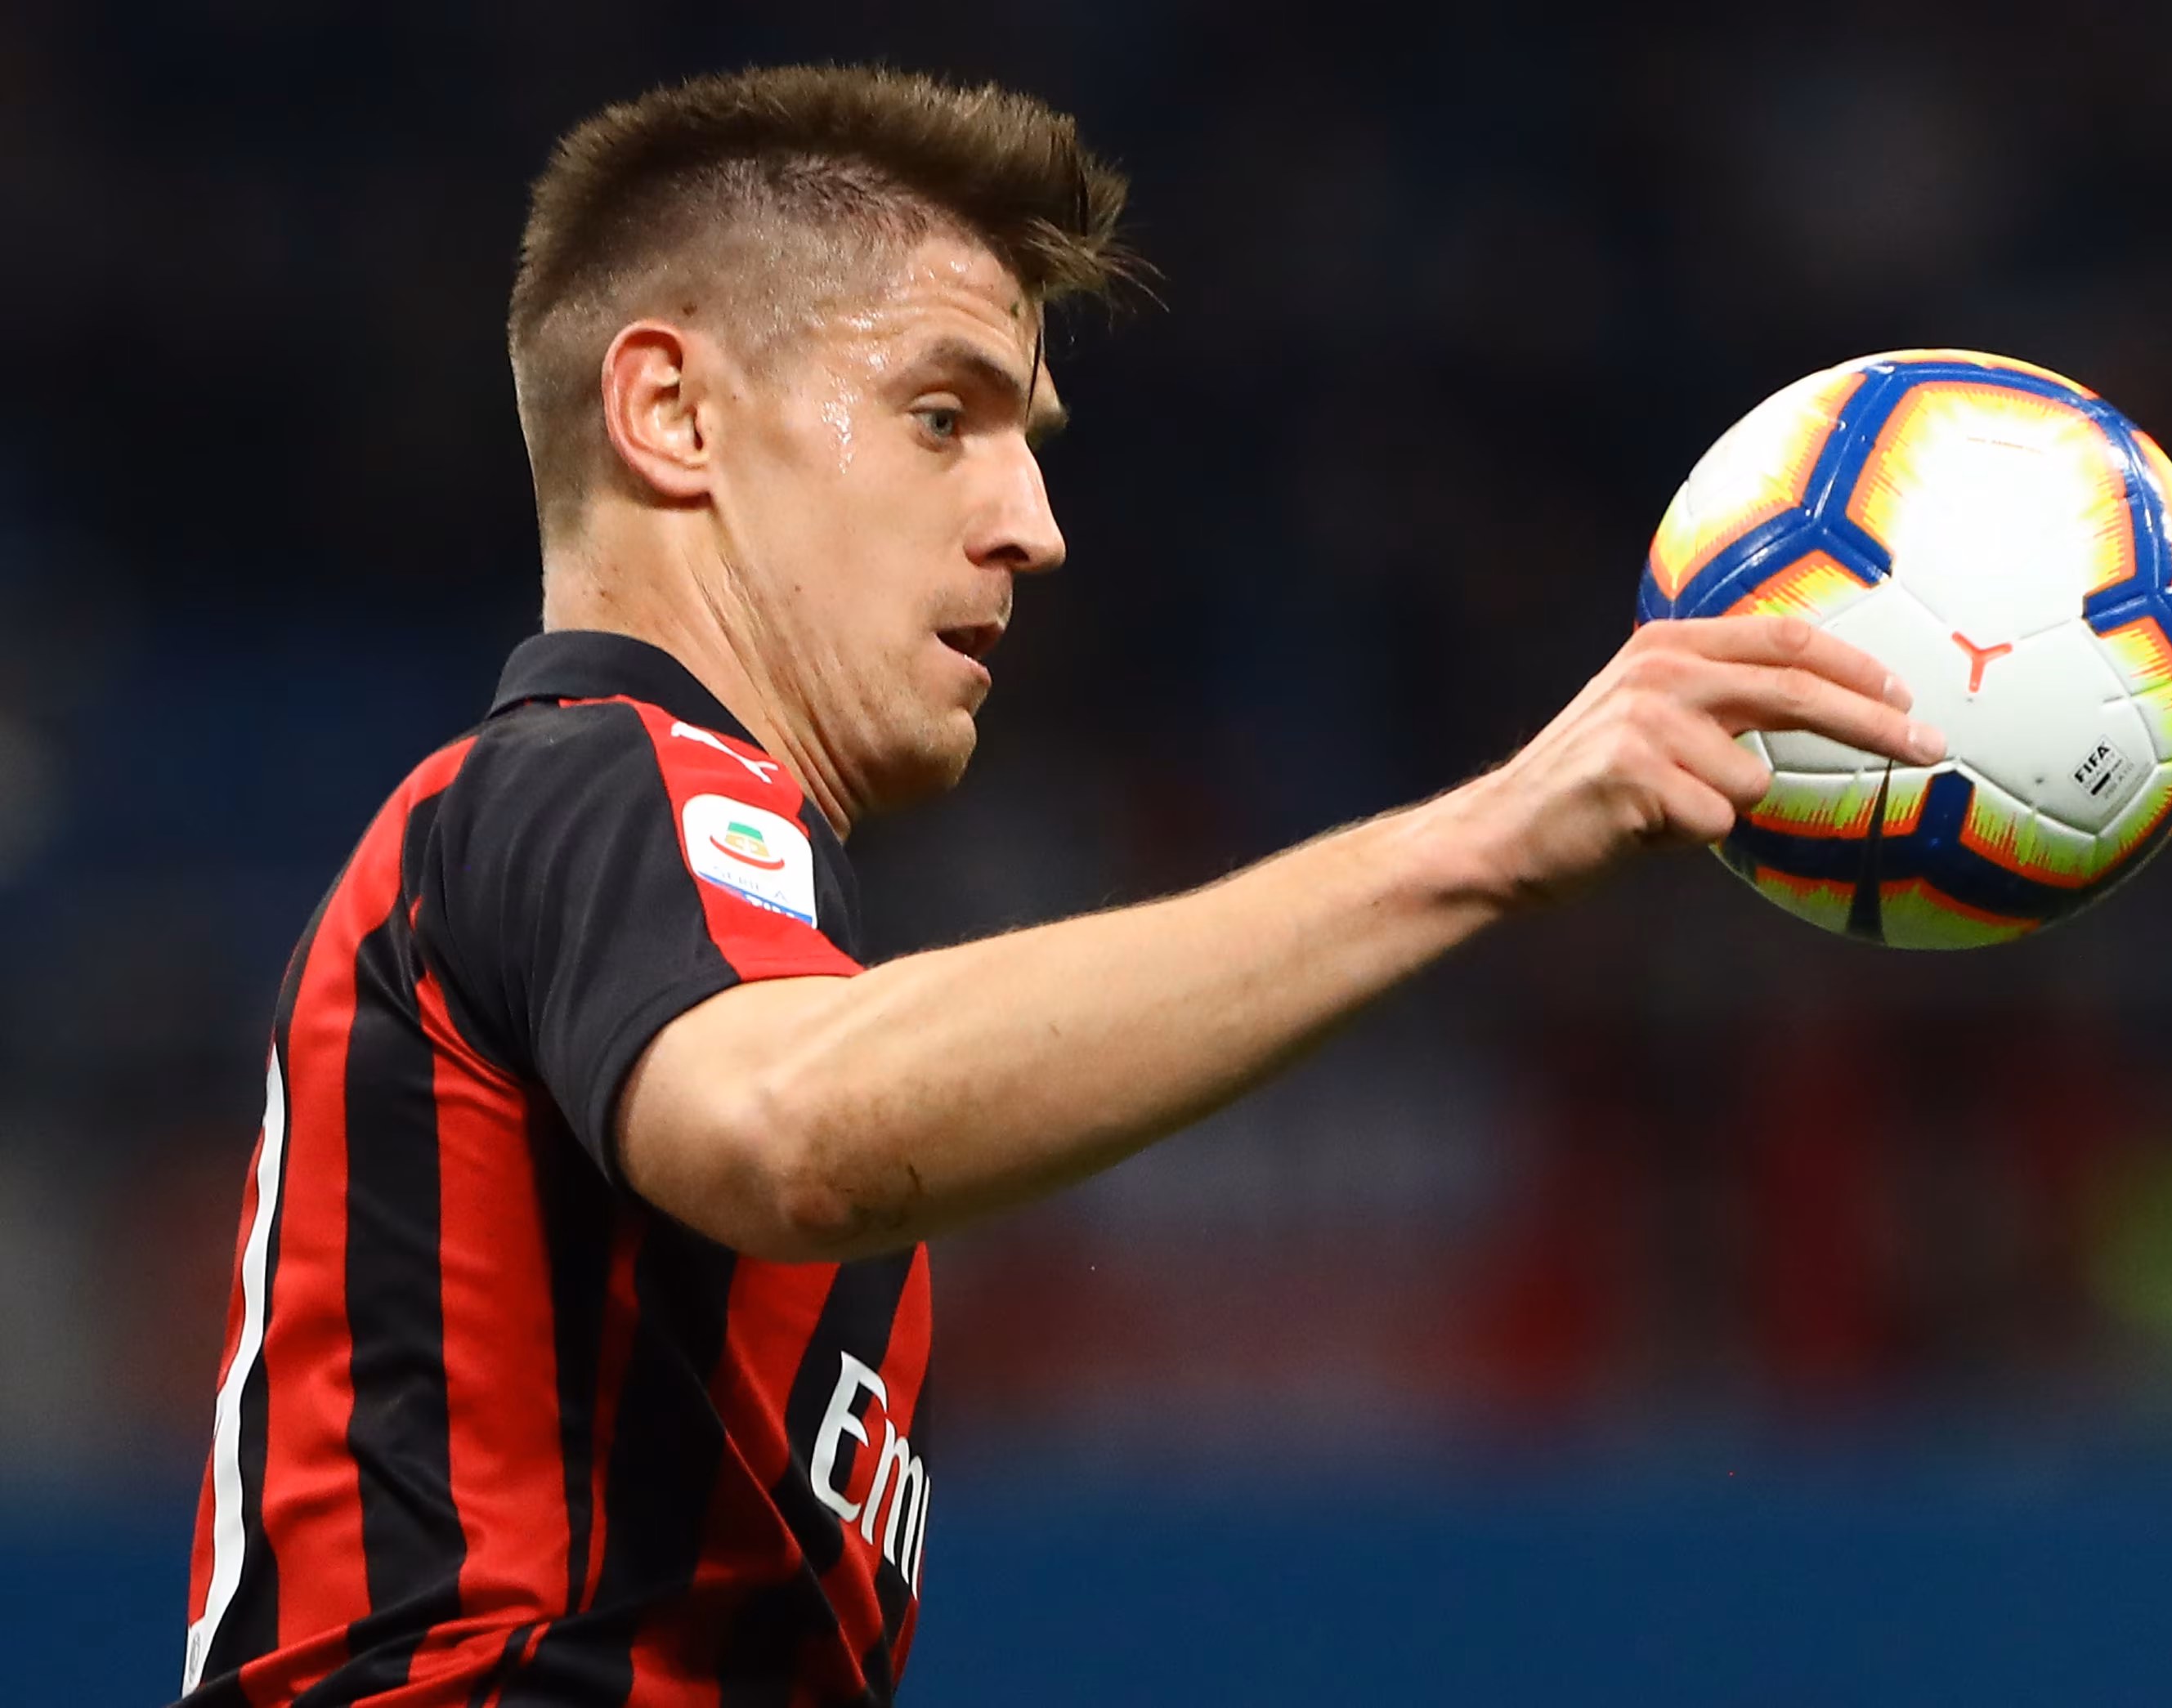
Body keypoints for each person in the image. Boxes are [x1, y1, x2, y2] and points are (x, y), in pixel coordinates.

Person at [177, 62, 1944, 1708]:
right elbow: (791, 1124)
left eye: (1027, 436)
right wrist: (1477, 839)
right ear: (671, 413)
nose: (1035, 520)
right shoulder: (587, 779)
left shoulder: (709, 900)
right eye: (942, 413)